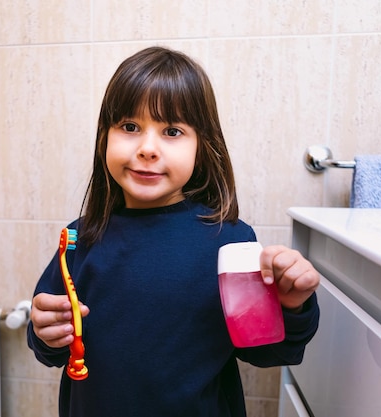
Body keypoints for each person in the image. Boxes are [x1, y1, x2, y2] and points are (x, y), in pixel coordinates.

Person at [27, 46, 320, 417]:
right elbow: (49, 347)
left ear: (203, 146)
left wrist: (292, 305)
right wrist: (44, 333)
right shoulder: (78, 241)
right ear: (105, 137)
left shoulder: (230, 244)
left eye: (172, 131)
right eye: (130, 127)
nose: (148, 148)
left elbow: (271, 352)